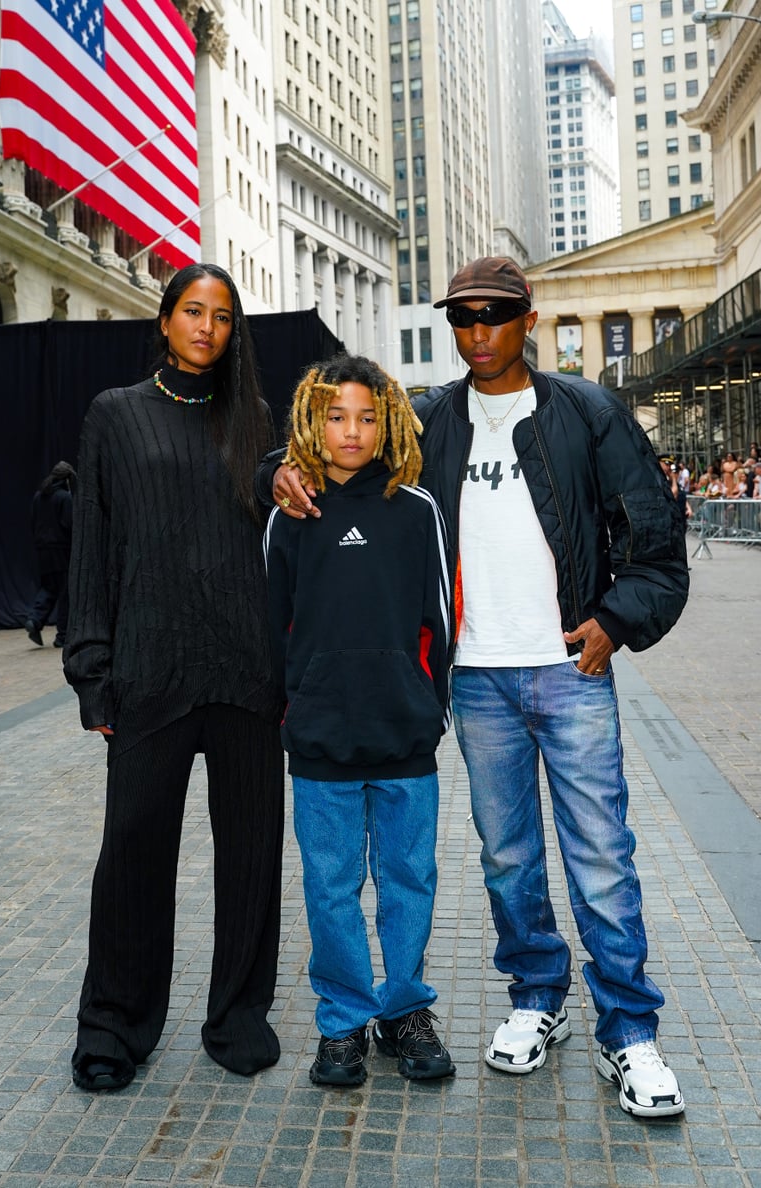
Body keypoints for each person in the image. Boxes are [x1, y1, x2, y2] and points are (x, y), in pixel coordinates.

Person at [265, 257, 689, 1119]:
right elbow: (344, 436)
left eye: (496, 315)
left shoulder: (588, 411)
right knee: (506, 859)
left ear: (528, 319)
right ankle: (537, 999)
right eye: (463, 318)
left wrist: (616, 620)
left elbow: (655, 532)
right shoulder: (431, 419)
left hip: (570, 668)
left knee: (601, 856)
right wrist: (283, 467)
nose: (479, 331)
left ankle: (629, 1031)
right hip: (481, 681)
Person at [64, 263, 284, 1093]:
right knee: (131, 857)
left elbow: (277, 556)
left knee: (253, 858)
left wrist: (289, 670)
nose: (206, 327)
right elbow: (93, 549)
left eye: (223, 317)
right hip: (149, 674)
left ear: (234, 333)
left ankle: (238, 1014)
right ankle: (113, 1027)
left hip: (247, 677)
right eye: (192, 311)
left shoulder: (255, 419)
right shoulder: (116, 416)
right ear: (163, 321)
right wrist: (93, 672)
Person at [264, 354, 455, 1087]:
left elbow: (441, 619)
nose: (353, 430)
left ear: (390, 422)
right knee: (331, 886)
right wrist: (295, 706)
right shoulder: (292, 514)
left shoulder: (417, 509)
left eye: (368, 416)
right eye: (337, 416)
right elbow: (271, 622)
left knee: (410, 877)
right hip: (320, 741)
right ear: (315, 421)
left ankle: (404, 1010)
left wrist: (425, 704)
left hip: (404, 736)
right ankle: (342, 1020)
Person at [23, 460, 76, 647]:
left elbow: (32, 522)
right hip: (61, 550)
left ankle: (35, 619)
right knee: (65, 592)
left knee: (48, 587)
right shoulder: (64, 497)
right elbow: (69, 525)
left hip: (42, 549)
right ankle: (63, 636)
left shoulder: (39, 496)